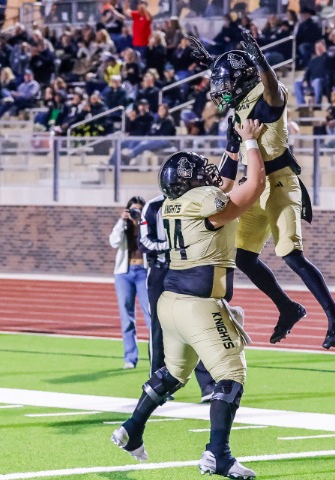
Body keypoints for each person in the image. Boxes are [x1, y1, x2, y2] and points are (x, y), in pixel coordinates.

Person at [111, 119, 265, 480]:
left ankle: (132, 428)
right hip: (199, 304)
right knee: (231, 375)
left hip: (171, 303)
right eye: (198, 172)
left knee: (172, 374)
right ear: (190, 182)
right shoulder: (204, 201)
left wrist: (232, 150)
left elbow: (223, 188)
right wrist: (250, 142)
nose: (207, 174)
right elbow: (253, 185)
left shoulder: (173, 203)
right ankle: (218, 454)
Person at [189, 31, 335, 349]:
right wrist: (213, 62)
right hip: (254, 187)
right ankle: (288, 308)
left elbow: (272, 89)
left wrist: (260, 59)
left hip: (279, 183)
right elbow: (229, 173)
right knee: (242, 257)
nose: (222, 91)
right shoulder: (238, 110)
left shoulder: (267, 94)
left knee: (292, 255)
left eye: (226, 83)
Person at [139, 195, 216, 402]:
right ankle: (157, 384)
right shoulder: (153, 206)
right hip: (160, 270)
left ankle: (207, 385)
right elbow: (144, 241)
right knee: (158, 326)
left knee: (195, 324)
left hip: (187, 269)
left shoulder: (194, 202)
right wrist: (172, 245)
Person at [108, 196, 152, 369]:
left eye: (139, 210)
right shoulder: (123, 226)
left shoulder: (148, 225)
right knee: (126, 317)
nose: (136, 213)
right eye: (133, 210)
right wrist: (121, 221)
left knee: (150, 316)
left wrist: (143, 222)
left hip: (143, 272)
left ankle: (156, 357)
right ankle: (130, 358)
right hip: (124, 274)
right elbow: (114, 242)